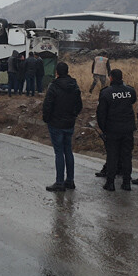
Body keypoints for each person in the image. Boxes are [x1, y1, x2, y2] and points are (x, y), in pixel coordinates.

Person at [42, 62, 83, 192]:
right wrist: (73, 115)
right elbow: (79, 105)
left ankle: (59, 182)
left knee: (59, 152)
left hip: (56, 123)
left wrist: (47, 118)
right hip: (69, 122)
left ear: (57, 72)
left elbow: (48, 104)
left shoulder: (54, 86)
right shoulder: (74, 85)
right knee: (68, 151)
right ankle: (70, 180)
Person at [96, 69, 138, 191]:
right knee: (126, 156)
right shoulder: (130, 91)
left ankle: (110, 183)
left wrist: (104, 129)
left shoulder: (106, 93)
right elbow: (133, 100)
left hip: (112, 129)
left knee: (112, 156)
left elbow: (101, 114)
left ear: (111, 78)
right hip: (128, 129)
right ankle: (126, 183)